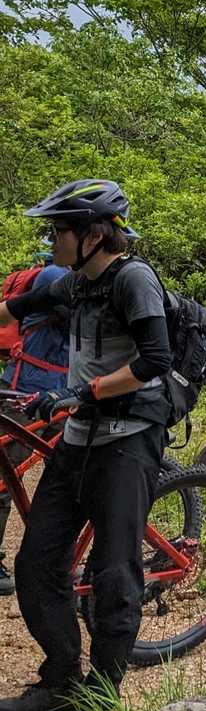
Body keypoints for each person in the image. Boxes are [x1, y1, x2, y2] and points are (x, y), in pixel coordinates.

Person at [0, 180, 172, 711]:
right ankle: (61, 682)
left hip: (128, 439)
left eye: (59, 231)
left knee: (115, 575)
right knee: (35, 565)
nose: (52, 241)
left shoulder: (133, 280)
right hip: (79, 439)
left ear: (93, 236)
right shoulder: (74, 283)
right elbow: (11, 310)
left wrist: (82, 392)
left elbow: (155, 359)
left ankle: (101, 704)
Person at [0, 251, 71, 597]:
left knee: (67, 475)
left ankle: (57, 558)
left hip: (61, 393)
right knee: (5, 476)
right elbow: (81, 317)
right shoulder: (54, 277)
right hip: (26, 393)